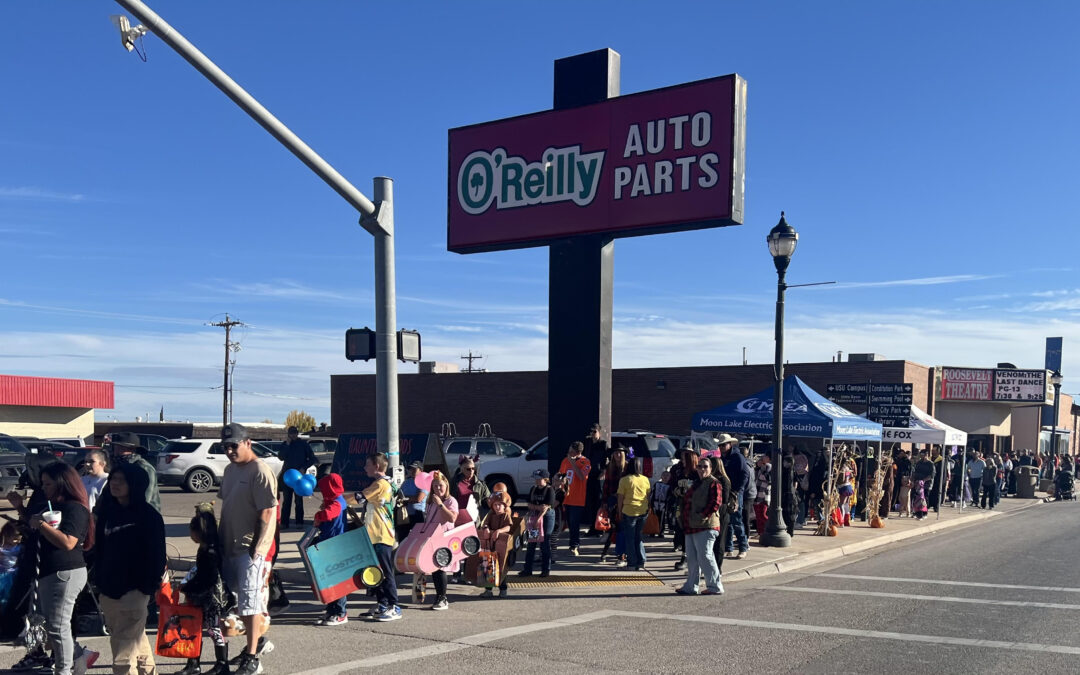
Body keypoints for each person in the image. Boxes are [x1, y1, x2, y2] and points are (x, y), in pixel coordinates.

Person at [217, 423, 278, 675]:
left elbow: (266, 511)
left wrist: (256, 547)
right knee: (233, 603)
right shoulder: (230, 470)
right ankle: (258, 642)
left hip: (250, 549)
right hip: (228, 545)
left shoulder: (260, 470)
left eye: (234, 445)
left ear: (248, 443)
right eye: (225, 447)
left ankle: (252, 658)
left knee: (251, 604)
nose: (230, 451)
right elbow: (228, 505)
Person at [95, 462, 166, 675]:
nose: (115, 484)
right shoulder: (108, 512)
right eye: (113, 479)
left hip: (135, 591)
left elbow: (157, 556)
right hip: (109, 590)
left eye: (121, 480)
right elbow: (99, 549)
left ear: (134, 484)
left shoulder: (149, 516)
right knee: (135, 641)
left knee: (123, 653)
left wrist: (146, 587)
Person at [24, 463, 93, 675]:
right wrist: (24, 514)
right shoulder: (51, 506)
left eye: (48, 484)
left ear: (63, 483)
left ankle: (63, 670)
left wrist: (42, 525)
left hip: (65, 572)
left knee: (57, 626)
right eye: (43, 484)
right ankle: (79, 655)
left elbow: (68, 542)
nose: (44, 488)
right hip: (48, 572)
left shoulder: (75, 508)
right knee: (49, 625)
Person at [178, 505, 231, 675]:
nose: (190, 536)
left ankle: (222, 664)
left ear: (199, 532)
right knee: (194, 628)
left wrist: (188, 586)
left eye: (191, 532)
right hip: (205, 596)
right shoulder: (207, 549)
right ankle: (194, 663)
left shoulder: (209, 552)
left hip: (211, 599)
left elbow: (207, 577)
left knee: (213, 629)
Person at [360, 452, 401, 622]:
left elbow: (359, 497)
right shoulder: (380, 483)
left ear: (377, 466)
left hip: (382, 534)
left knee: (386, 571)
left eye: (367, 464)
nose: (365, 468)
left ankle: (394, 606)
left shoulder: (380, 484)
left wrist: (336, 496)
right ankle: (382, 604)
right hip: (374, 535)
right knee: (377, 572)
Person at [676, 455, 724, 595]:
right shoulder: (697, 483)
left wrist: (703, 515)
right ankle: (691, 586)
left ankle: (715, 586)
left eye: (705, 466)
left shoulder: (714, 483)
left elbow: (716, 503)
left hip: (706, 526)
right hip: (691, 525)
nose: (702, 469)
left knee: (705, 556)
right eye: (699, 466)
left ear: (711, 468)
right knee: (692, 558)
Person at [313, 473, 349, 625]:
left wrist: (318, 515)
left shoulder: (338, 502)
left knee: (337, 580)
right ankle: (331, 609)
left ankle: (341, 612)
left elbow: (328, 514)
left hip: (335, 545)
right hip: (328, 543)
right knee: (329, 580)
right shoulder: (334, 501)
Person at [423, 471, 459, 611]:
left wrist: (440, 504)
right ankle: (439, 596)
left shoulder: (451, 501)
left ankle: (443, 598)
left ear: (446, 486)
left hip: (445, 537)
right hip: (433, 537)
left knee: (441, 567)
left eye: (441, 485)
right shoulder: (430, 501)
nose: (438, 488)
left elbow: (452, 518)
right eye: (435, 486)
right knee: (435, 568)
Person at [102, 432, 160, 513]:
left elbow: (144, 499)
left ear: (132, 450)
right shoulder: (117, 467)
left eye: (121, 448)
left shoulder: (144, 468)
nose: (116, 452)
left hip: (143, 516)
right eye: (115, 447)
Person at [278, 426, 317, 529]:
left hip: (299, 477)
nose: (293, 435)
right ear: (288, 434)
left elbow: (312, 459)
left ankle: (299, 522)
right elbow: (281, 457)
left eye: (294, 433)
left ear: (297, 433)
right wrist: (287, 445)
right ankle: (284, 523)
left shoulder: (303, 444)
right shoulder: (285, 444)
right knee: (286, 500)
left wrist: (304, 467)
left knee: (299, 501)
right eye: (291, 433)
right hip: (287, 476)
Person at [519, 469, 556, 577]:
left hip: (546, 518)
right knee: (532, 542)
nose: (536, 481)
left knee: (544, 543)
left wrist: (538, 518)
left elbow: (546, 507)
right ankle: (527, 569)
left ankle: (546, 569)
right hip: (534, 516)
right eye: (535, 478)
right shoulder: (533, 489)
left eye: (538, 479)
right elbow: (529, 504)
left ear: (545, 479)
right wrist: (537, 508)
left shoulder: (550, 490)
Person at [617, 458, 651, 571]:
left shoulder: (624, 480)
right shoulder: (645, 479)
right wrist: (648, 508)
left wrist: (619, 511)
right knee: (638, 536)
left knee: (629, 538)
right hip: (642, 511)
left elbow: (620, 498)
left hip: (629, 511)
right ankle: (641, 560)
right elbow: (648, 496)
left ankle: (632, 562)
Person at [558, 441, 592, 556]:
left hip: (577, 499)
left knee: (574, 523)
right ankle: (571, 543)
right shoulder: (565, 461)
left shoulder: (585, 462)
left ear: (577, 452)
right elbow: (561, 474)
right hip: (566, 497)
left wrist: (573, 462)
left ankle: (574, 545)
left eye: (571, 451)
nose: (568, 453)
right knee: (568, 522)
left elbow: (582, 476)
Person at [478, 490, 513, 598]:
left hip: (501, 545)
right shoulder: (491, 515)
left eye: (499, 505)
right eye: (495, 505)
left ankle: (503, 589)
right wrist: (486, 528)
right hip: (490, 544)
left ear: (504, 506)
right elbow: (485, 523)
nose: (497, 507)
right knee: (488, 566)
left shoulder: (506, 515)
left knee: (501, 567)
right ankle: (488, 590)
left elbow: (508, 527)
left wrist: (499, 531)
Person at [719, 434, 750, 559]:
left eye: (723, 445)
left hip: (735, 492)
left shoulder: (737, 457)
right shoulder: (722, 458)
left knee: (736, 520)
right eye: (720, 445)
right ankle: (729, 548)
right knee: (727, 521)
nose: (721, 447)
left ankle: (743, 547)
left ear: (730, 444)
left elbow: (745, 474)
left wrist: (738, 490)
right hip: (725, 492)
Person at [600, 448, 629, 564]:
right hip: (612, 499)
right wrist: (604, 501)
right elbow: (606, 485)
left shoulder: (627, 467)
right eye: (615, 453)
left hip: (624, 500)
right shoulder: (610, 467)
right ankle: (606, 552)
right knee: (612, 527)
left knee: (621, 527)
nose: (617, 455)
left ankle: (621, 554)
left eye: (619, 452)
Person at [583, 424, 608, 536]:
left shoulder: (603, 444)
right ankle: (592, 527)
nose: (592, 434)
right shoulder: (588, 443)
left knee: (599, 501)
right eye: (591, 432)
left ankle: (600, 527)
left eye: (595, 432)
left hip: (598, 475)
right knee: (591, 501)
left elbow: (608, 458)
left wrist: (604, 471)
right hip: (589, 475)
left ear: (599, 432)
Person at [396, 461, 428, 543]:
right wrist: (402, 499)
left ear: (421, 470)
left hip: (418, 514)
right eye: (410, 469)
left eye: (414, 469)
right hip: (404, 515)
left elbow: (418, 499)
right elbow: (399, 496)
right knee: (402, 540)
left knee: (417, 540)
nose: (412, 471)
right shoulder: (406, 482)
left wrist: (404, 499)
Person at [911, 450, 935, 520]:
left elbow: (932, 475)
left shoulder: (930, 464)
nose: (921, 456)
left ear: (926, 455)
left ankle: (924, 513)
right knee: (916, 498)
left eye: (922, 455)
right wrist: (913, 479)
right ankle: (916, 512)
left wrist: (924, 480)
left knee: (924, 498)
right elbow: (915, 472)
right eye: (920, 455)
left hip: (926, 484)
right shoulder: (919, 462)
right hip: (917, 483)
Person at [753, 453, 771, 537]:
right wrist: (758, 466)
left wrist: (762, 467)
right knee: (757, 515)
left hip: (764, 494)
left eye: (765, 456)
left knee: (762, 514)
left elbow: (767, 479)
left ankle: (770, 528)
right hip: (757, 492)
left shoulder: (769, 467)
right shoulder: (759, 467)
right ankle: (760, 532)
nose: (763, 458)